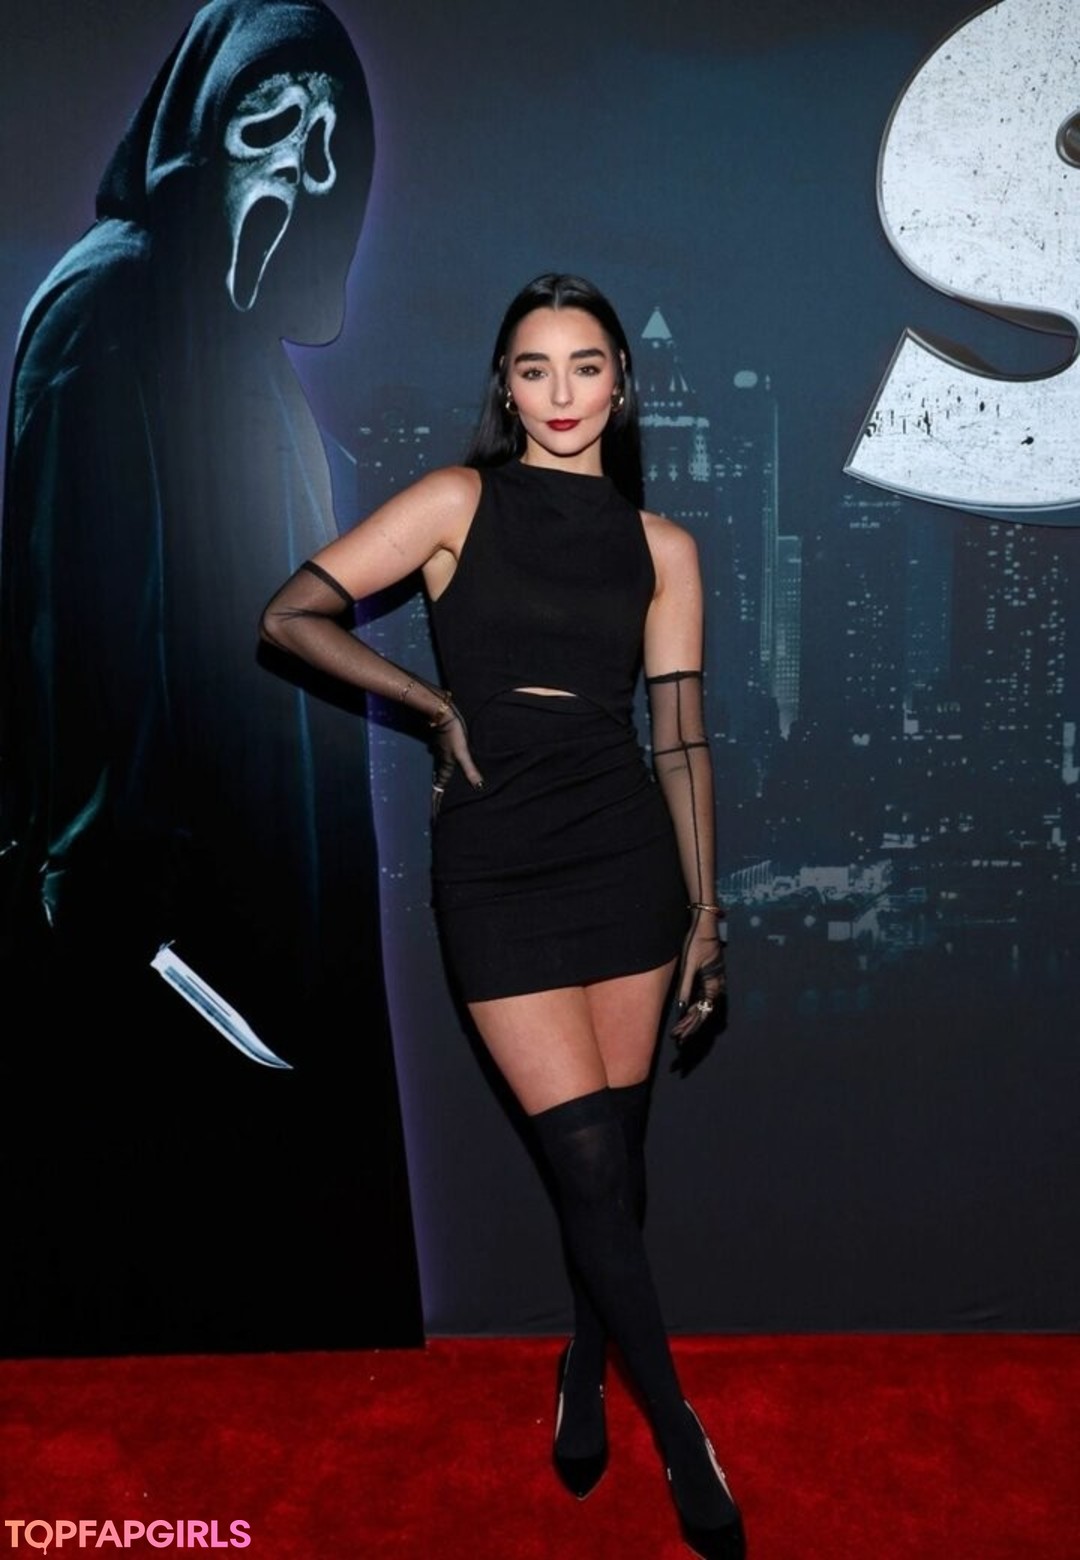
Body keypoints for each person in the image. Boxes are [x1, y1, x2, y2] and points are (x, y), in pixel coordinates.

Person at [260, 272, 745, 1559]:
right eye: (536, 368)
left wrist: (706, 912)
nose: (562, 392)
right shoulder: (453, 502)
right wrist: (430, 708)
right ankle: (680, 1430)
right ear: (507, 387)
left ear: (621, 385)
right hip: (496, 864)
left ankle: (585, 1361)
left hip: (625, 861)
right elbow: (289, 614)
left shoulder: (664, 548)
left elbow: (681, 741)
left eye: (586, 366)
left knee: (615, 1163)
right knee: (583, 1161)